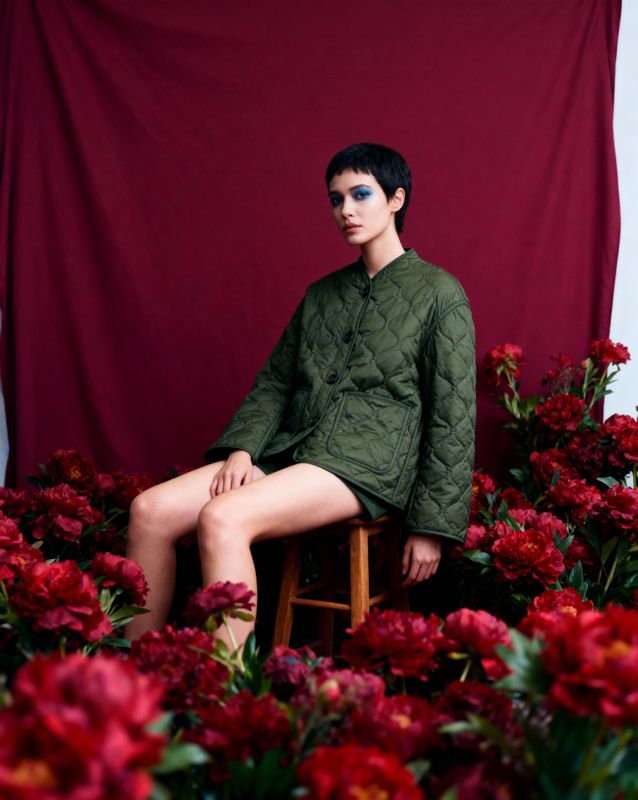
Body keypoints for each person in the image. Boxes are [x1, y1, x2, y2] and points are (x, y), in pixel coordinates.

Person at [125, 142, 476, 645]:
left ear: (396, 199)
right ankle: (134, 686)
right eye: (336, 199)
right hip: (293, 449)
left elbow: (453, 417)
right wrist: (244, 448)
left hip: (367, 465)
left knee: (223, 516)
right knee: (150, 511)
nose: (346, 211)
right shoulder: (321, 294)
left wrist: (431, 527)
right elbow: (276, 383)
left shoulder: (440, 293)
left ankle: (218, 698)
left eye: (360, 194)